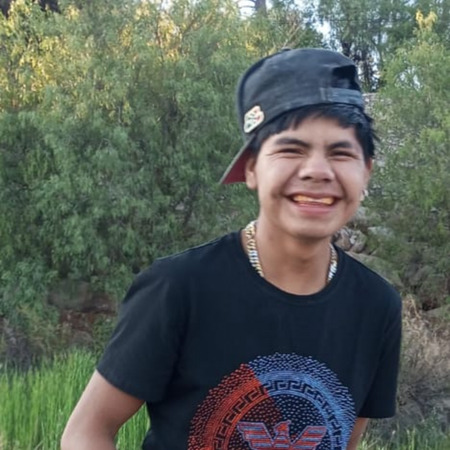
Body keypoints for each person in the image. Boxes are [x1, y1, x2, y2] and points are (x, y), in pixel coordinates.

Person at [61, 48, 402, 450]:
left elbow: (344, 440)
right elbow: (87, 431)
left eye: (341, 153)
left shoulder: (377, 306)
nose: (316, 171)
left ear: (366, 171)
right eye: (291, 150)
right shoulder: (179, 288)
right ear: (251, 168)